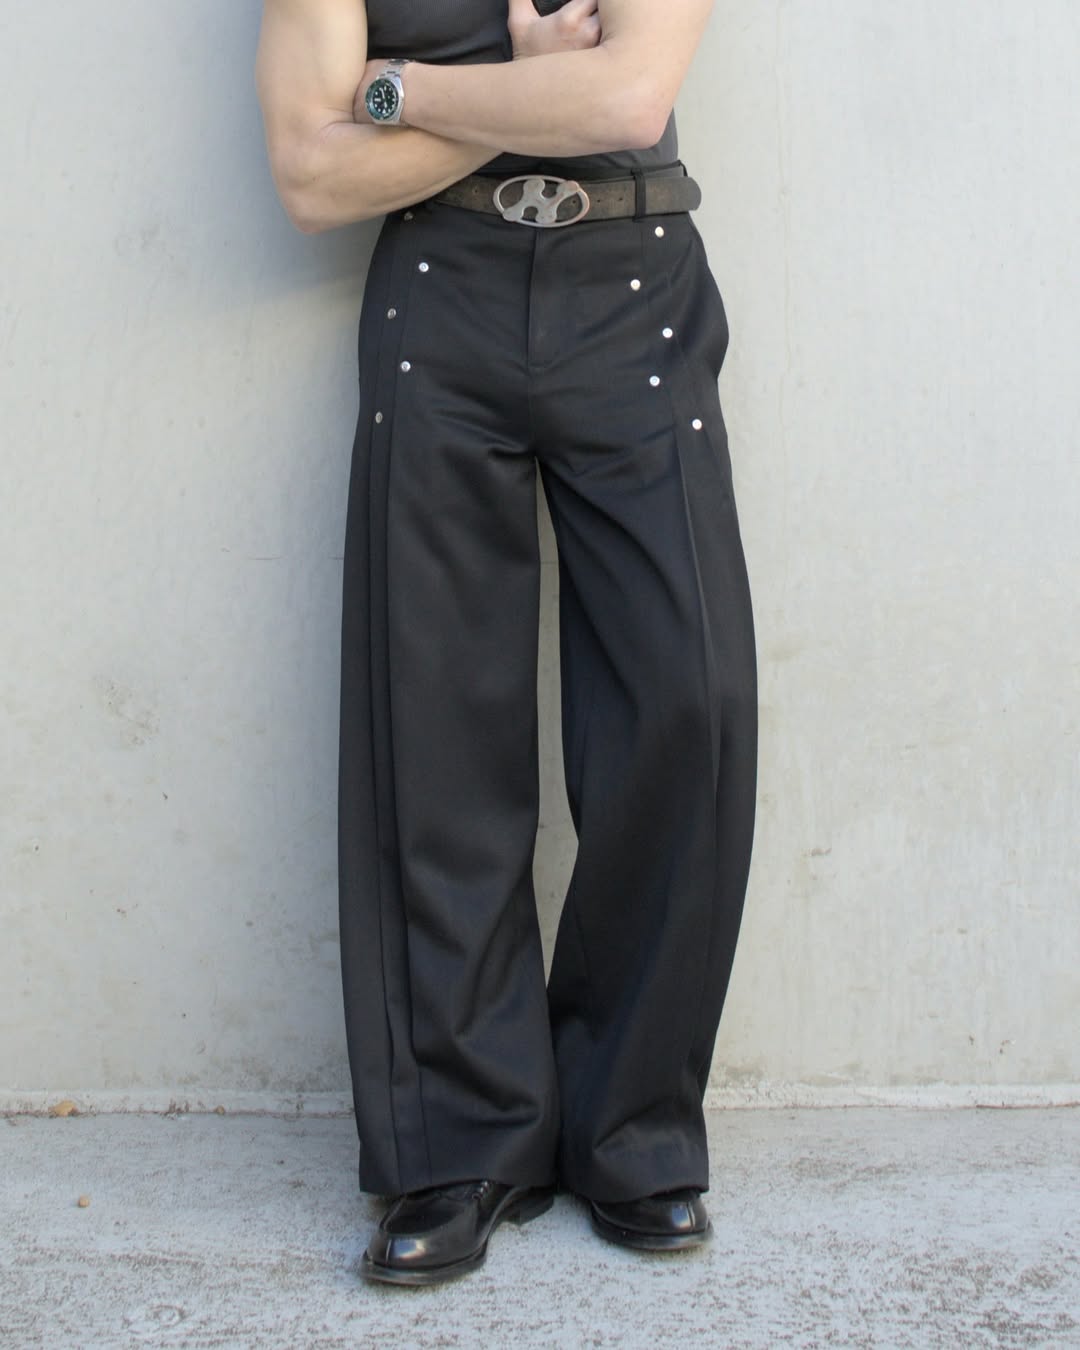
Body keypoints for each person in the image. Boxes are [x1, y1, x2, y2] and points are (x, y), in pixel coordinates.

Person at [256, 0, 758, 1287]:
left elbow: (627, 100)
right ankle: (461, 1142)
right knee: (432, 725)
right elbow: (311, 175)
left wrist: (401, 92)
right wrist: (525, 94)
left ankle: (634, 1128)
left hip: (633, 286)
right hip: (442, 294)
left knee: (686, 707)